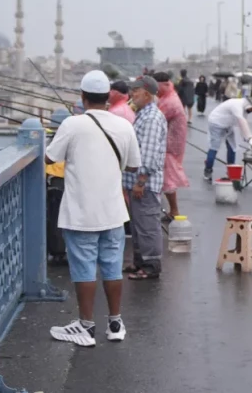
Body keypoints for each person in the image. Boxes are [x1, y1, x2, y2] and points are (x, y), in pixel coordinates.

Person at [45, 70, 142, 346]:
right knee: (112, 267)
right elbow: (134, 165)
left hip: (81, 212)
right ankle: (115, 323)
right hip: (113, 211)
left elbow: (51, 156)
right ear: (109, 98)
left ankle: (86, 327)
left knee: (84, 268)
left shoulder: (72, 125)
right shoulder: (124, 126)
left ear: (83, 97)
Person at [124, 76, 167, 280]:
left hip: (145, 183)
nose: (132, 94)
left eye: (136, 91)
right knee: (138, 225)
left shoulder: (150, 118)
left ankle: (151, 266)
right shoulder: (143, 114)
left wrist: (141, 181)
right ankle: (139, 262)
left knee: (148, 224)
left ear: (147, 94)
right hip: (137, 182)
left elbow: (148, 155)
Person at [154, 71, 189, 224]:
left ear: (164, 85)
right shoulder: (169, 96)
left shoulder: (169, 102)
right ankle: (173, 210)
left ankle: (174, 211)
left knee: (168, 180)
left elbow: (155, 118)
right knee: (167, 178)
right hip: (172, 143)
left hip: (170, 144)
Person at [204, 94, 252, 181]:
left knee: (232, 147)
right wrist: (250, 137)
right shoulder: (236, 105)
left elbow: (243, 125)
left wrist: (247, 139)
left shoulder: (244, 108)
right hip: (216, 123)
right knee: (214, 147)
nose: (251, 111)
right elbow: (241, 121)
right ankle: (208, 170)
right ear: (249, 105)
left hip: (228, 125)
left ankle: (231, 171)